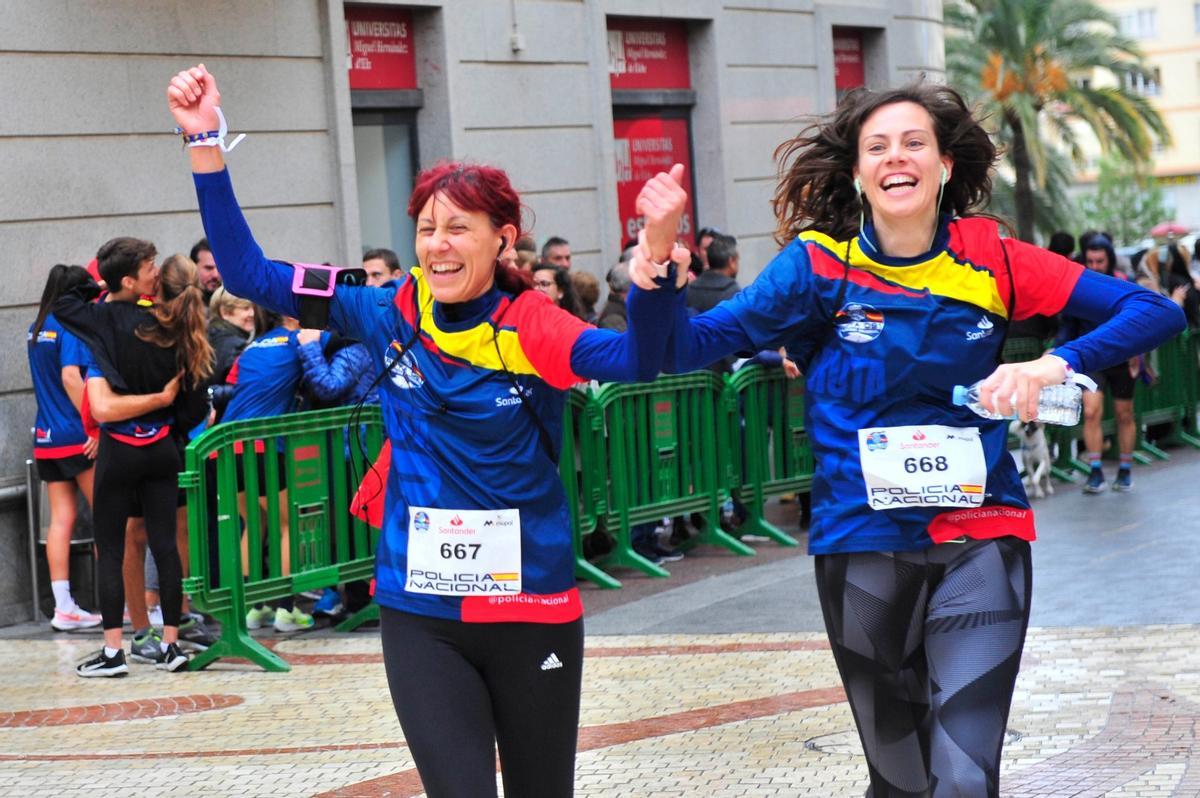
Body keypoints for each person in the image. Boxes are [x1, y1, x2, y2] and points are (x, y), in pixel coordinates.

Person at [629, 83, 1185, 797]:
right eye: (878, 146)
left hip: (979, 539)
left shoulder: (995, 257)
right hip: (864, 546)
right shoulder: (816, 267)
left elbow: (1154, 312)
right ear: (858, 173)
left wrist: (1054, 363)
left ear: (945, 166)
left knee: (962, 776)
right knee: (899, 783)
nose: (898, 157)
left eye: (915, 142)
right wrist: (655, 262)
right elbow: (672, 353)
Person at [169, 62, 680, 798]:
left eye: (458, 229)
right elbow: (250, 274)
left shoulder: (531, 324)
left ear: (503, 239)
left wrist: (654, 261)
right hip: (421, 612)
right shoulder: (383, 309)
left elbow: (635, 361)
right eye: (426, 228)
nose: (437, 245)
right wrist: (205, 145)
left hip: (529, 608)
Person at [55, 241, 213, 677]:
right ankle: (171, 646)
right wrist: (167, 413)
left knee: (112, 547)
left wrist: (101, 285)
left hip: (120, 448)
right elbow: (193, 409)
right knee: (165, 546)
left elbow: (63, 302)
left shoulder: (107, 319)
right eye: (146, 266)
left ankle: (112, 653)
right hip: (163, 447)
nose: (152, 273)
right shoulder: (172, 326)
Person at [28, 265, 102, 631]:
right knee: (107, 518)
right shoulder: (70, 326)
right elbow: (71, 376)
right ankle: (118, 602)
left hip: (46, 437)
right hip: (78, 436)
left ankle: (63, 607)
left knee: (60, 521)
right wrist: (95, 423)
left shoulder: (36, 327)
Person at [1057, 235, 1141, 493]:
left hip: (1121, 358)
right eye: (1090, 260)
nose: (1094, 265)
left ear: (1109, 259)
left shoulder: (1125, 284)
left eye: (1100, 260)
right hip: (1091, 359)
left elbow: (1142, 322)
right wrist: (1058, 348)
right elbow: (1068, 323)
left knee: (1124, 414)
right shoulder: (1080, 285)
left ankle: (1125, 469)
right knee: (1091, 411)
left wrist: (1139, 355)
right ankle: (1095, 471)